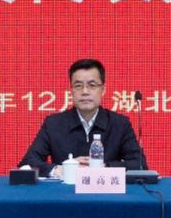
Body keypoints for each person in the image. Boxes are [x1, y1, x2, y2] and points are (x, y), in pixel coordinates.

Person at [19, 58, 147, 176]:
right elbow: (27, 163)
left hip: (105, 191)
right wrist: (62, 169)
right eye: (78, 85)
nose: (85, 91)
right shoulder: (53, 123)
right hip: (64, 191)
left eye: (92, 85)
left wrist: (104, 168)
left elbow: (140, 165)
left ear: (103, 90)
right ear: (71, 91)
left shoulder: (120, 124)